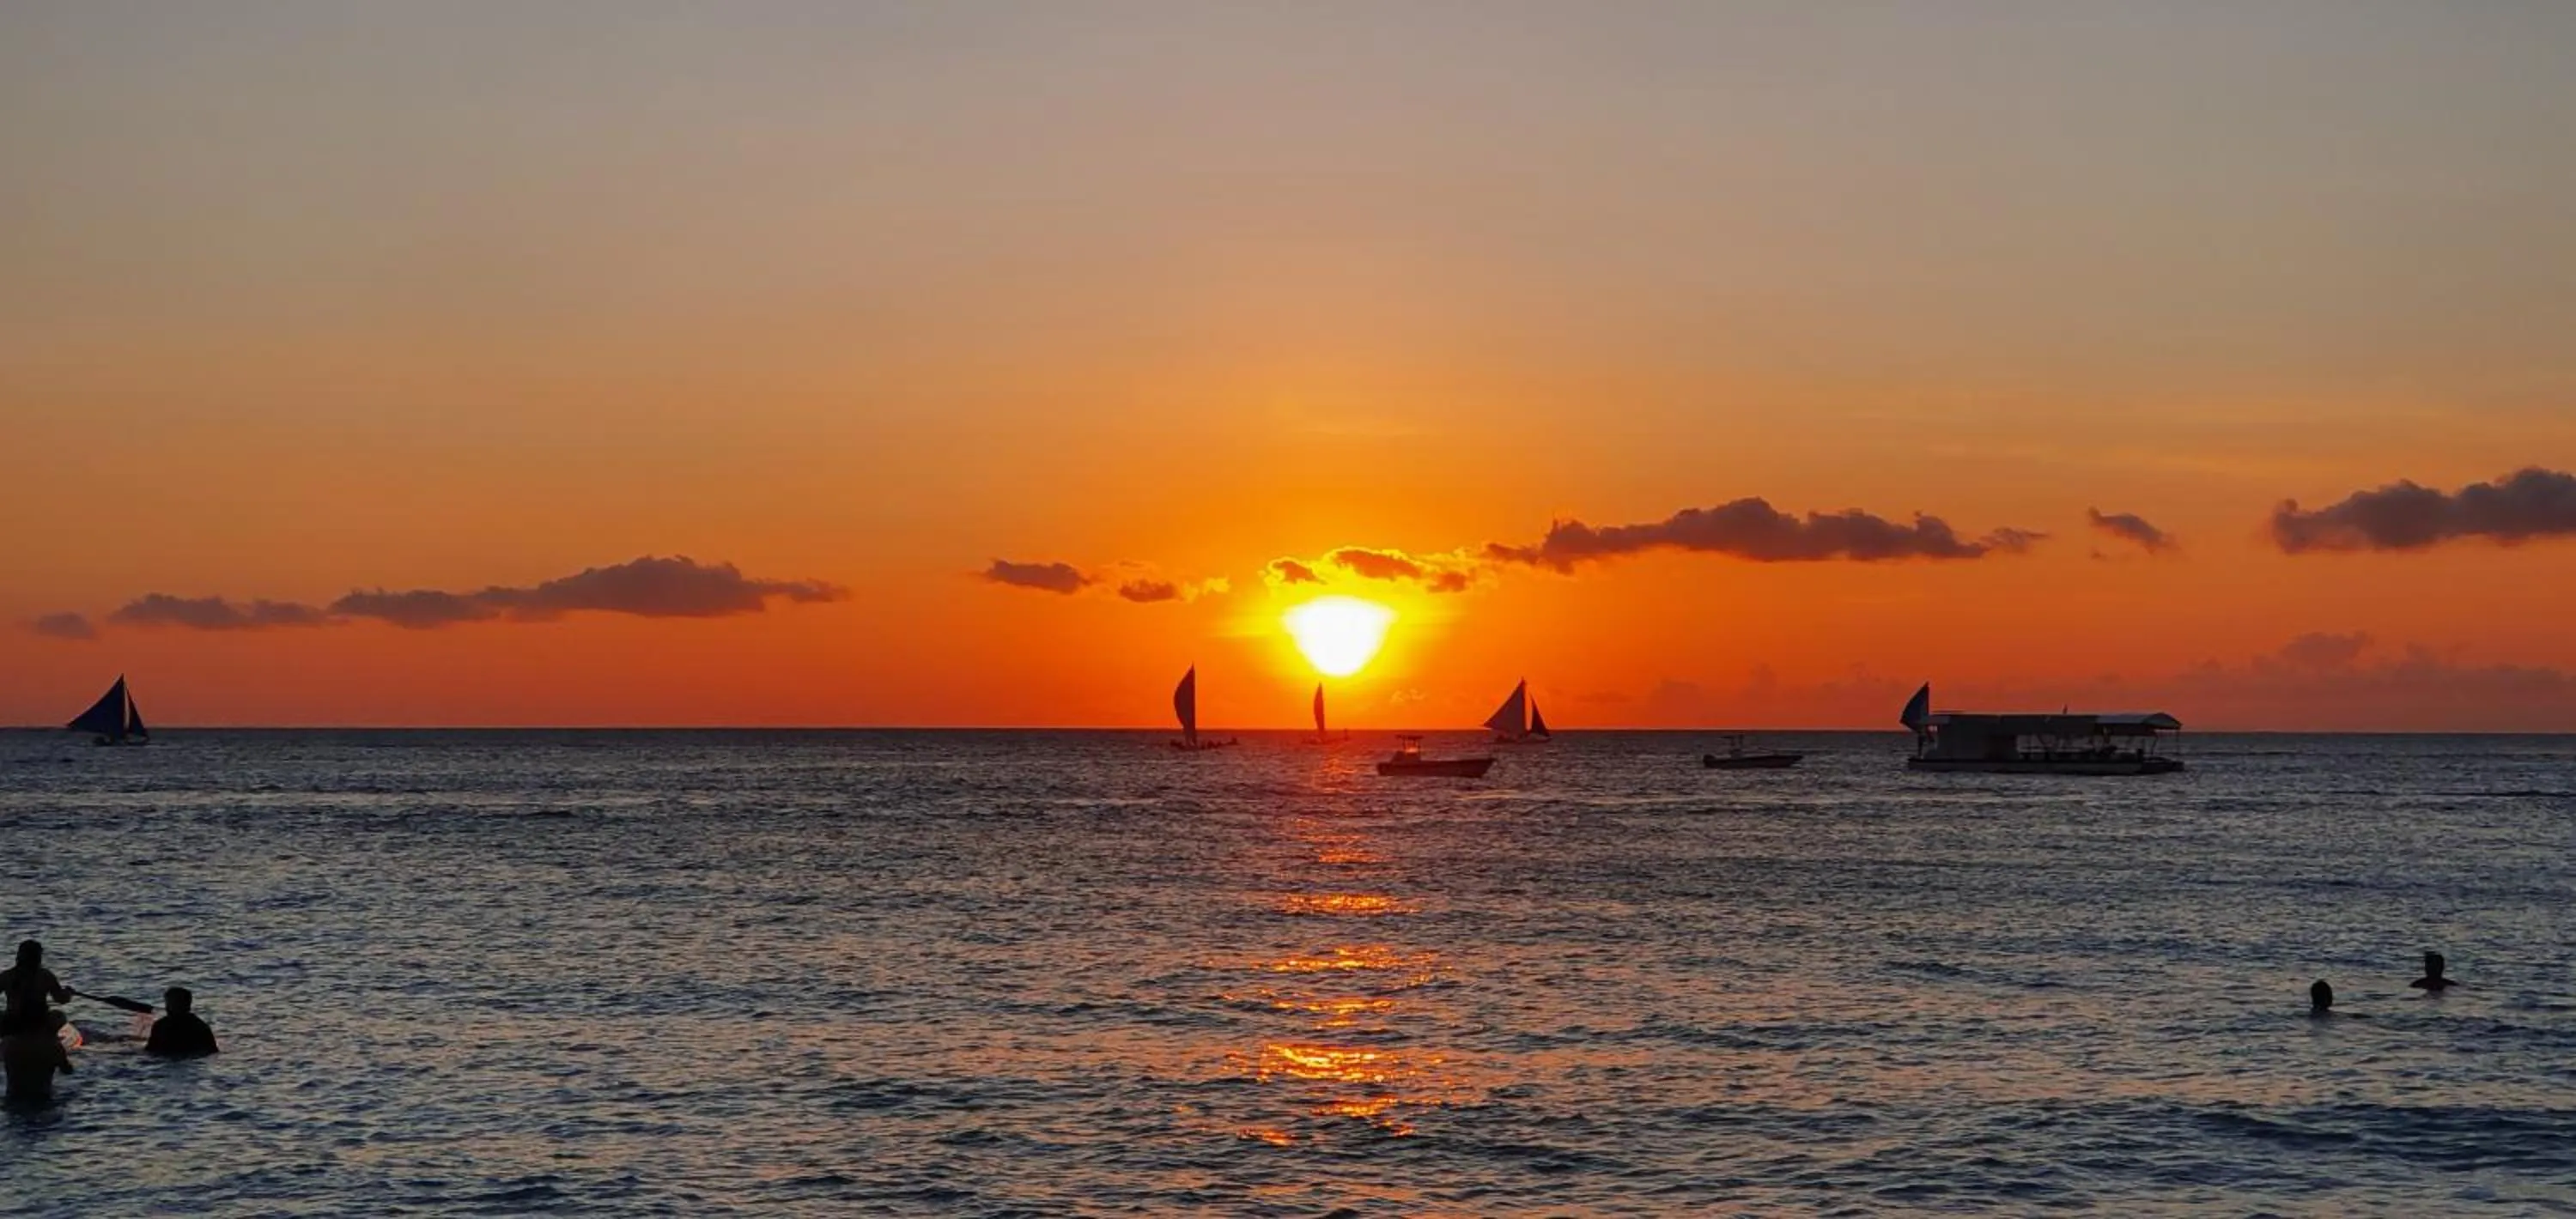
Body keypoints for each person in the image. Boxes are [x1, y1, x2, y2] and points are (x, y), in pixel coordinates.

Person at [0, 941, 71, 1039]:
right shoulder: (45, 975)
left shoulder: (7, 976)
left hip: (12, 1021)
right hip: (39, 1021)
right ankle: (49, 1038)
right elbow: (61, 999)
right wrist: (68, 993)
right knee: (59, 1015)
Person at [144, 987, 219, 1058]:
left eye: (169, 1004)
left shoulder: (161, 1025)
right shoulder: (201, 1026)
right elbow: (212, 1052)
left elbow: (150, 1051)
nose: (166, 1008)